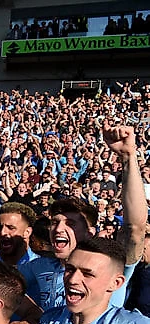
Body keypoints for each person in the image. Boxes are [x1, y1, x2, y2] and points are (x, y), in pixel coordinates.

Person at [19, 124, 147, 312]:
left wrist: (128, 157)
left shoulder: (109, 262)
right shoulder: (39, 266)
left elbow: (134, 229)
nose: (58, 229)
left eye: (70, 224)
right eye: (55, 222)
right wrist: (32, 315)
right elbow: (0, 284)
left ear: (90, 233)